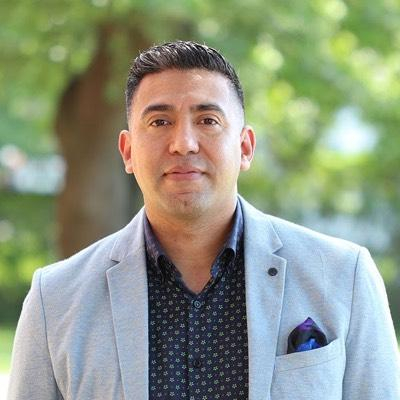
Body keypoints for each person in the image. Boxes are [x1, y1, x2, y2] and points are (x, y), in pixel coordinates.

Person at [7, 40, 400, 400]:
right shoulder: (55, 299)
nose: (184, 143)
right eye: (160, 122)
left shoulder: (344, 276)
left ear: (245, 147)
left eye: (208, 120)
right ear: (127, 152)